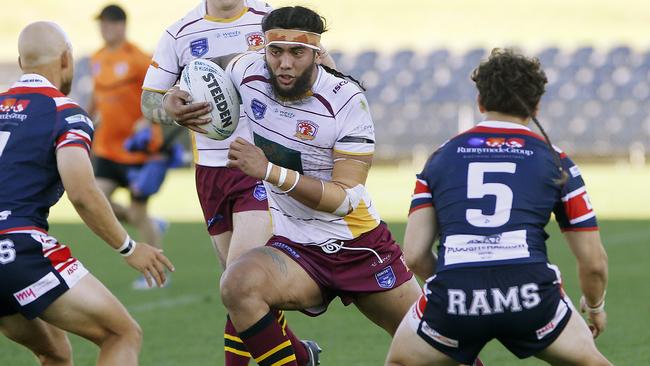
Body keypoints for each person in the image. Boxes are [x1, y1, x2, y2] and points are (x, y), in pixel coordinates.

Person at [163, 6, 426, 366]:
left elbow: (345, 199)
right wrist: (174, 97)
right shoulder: (248, 69)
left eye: (297, 53)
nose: (284, 63)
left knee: (433, 346)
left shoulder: (347, 100)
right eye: (276, 52)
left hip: (358, 244)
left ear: (316, 54)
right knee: (237, 285)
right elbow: (208, 76)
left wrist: (268, 171)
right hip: (294, 245)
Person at [385, 49, 611, 366]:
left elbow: (414, 254)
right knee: (591, 362)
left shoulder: (441, 156)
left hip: (456, 298)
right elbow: (593, 261)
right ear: (536, 106)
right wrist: (596, 307)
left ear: (480, 101)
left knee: (400, 361)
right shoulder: (556, 160)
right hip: (530, 295)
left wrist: (465, 285)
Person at [141, 1, 328, 364]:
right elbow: (149, 100)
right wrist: (170, 108)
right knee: (244, 289)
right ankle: (301, 355)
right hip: (210, 172)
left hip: (258, 164)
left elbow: (320, 68)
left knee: (240, 278)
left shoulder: (270, 21)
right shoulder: (180, 31)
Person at [0, 21, 174, 366]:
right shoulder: (65, 112)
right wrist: (129, 247)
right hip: (16, 247)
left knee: (56, 352)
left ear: (21, 63)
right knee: (121, 334)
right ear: (67, 59)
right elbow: (81, 191)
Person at [90, 4, 168, 290]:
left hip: (137, 150)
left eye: (110, 24)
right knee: (95, 199)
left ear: (122, 26)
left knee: (137, 212)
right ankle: (150, 223)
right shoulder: (97, 58)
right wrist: (86, 119)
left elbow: (159, 92)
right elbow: (97, 98)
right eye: (102, 24)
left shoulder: (137, 58)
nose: (105, 29)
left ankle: (158, 274)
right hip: (107, 148)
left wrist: (147, 121)